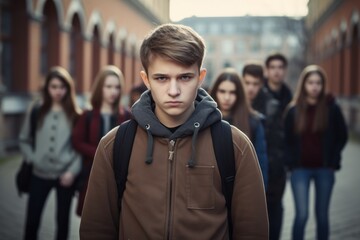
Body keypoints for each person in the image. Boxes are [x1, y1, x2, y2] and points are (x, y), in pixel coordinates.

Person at [80, 23, 268, 239]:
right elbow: (96, 229)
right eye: (161, 78)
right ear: (146, 79)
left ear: (200, 77)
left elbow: (253, 231)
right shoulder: (115, 145)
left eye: (184, 77)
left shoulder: (235, 145)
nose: (173, 91)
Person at [284, 65, 348, 240]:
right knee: (302, 215)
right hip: (300, 170)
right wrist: (291, 164)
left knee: (322, 216)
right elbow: (286, 140)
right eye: (311, 82)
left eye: (318, 83)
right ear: (304, 84)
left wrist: (333, 162)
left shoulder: (331, 108)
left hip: (324, 170)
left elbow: (342, 136)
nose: (314, 86)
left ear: (323, 85)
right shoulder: (293, 110)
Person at [19, 66, 82, 240]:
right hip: (39, 174)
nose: (58, 91)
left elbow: (79, 148)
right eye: (53, 87)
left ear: (68, 89)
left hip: (65, 177)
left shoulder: (75, 114)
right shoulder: (37, 111)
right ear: (47, 87)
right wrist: (33, 159)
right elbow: (24, 140)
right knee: (32, 222)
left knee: (62, 224)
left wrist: (72, 171)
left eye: (62, 87)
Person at [72, 65, 131, 216]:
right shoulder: (88, 115)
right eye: (108, 86)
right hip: (92, 173)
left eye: (117, 87)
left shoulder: (127, 116)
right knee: (92, 218)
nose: (113, 91)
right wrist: (100, 153)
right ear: (100, 87)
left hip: (119, 176)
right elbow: (77, 141)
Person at [209, 67, 268, 189]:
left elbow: (260, 163)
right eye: (222, 91)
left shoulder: (253, 122)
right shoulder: (203, 121)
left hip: (243, 189)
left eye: (232, 92)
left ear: (239, 94)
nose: (227, 97)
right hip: (211, 190)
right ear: (215, 92)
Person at [263, 53, 293, 240]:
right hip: (262, 157)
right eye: (273, 67)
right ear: (267, 70)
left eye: (280, 67)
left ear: (284, 71)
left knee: (276, 206)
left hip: (281, 162)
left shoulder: (290, 97)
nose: (276, 71)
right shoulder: (260, 95)